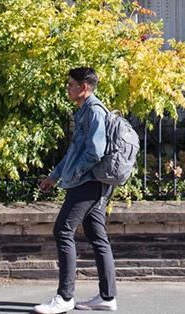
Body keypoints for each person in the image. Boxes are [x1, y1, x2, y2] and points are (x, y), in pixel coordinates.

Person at [33, 67, 118, 314]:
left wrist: (75, 174)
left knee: (62, 231)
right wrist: (54, 175)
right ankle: (107, 297)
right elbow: (73, 152)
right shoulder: (83, 111)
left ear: (84, 87)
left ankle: (65, 297)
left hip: (87, 183)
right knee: (97, 236)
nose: (67, 88)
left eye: (71, 84)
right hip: (85, 181)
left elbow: (94, 151)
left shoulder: (93, 111)